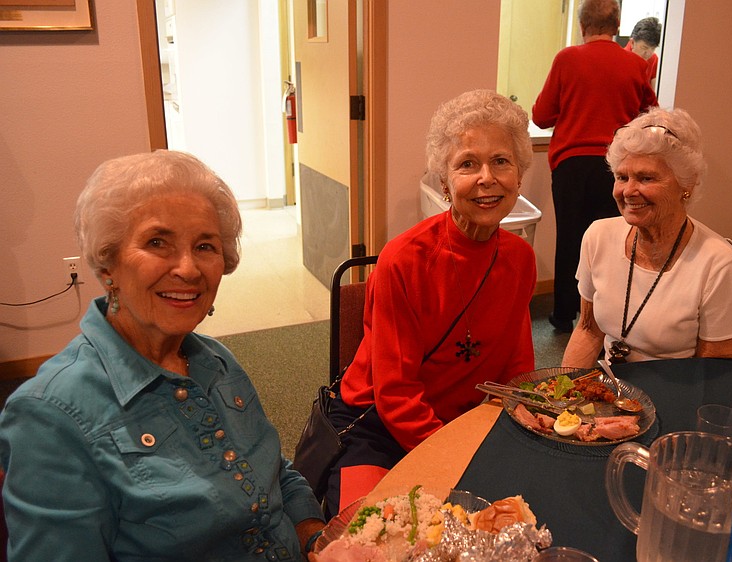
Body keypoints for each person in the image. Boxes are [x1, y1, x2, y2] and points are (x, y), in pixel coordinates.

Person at [0, 151, 325, 561]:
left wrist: (317, 539)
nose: (188, 270)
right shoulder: (49, 415)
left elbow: (275, 471)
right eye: (158, 242)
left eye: (204, 245)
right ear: (108, 264)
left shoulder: (216, 361)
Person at [324, 90, 537, 516]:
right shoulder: (403, 260)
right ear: (444, 181)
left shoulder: (520, 257)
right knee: (362, 533)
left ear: (518, 175)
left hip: (466, 421)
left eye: (501, 161)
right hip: (377, 424)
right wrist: (453, 461)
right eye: (467, 164)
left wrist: (519, 425)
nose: (486, 178)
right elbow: (396, 394)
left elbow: (516, 367)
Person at [561, 107, 732, 368]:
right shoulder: (598, 236)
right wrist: (562, 397)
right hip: (611, 393)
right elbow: (588, 331)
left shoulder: (719, 265)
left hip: (676, 396)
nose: (628, 191)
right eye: (622, 177)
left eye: (646, 178)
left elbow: (715, 375)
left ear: (686, 184)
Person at [532, 0, 657, 333]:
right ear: (616, 25)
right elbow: (652, 114)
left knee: (571, 239)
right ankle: (608, 313)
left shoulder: (567, 59)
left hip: (571, 165)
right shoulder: (634, 64)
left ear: (582, 24)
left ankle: (563, 315)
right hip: (615, 166)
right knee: (615, 239)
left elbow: (541, 116)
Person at [624, 17, 662, 89]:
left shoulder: (653, 59)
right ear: (632, 42)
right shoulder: (621, 59)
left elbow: (653, 93)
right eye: (644, 48)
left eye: (653, 48)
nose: (648, 54)